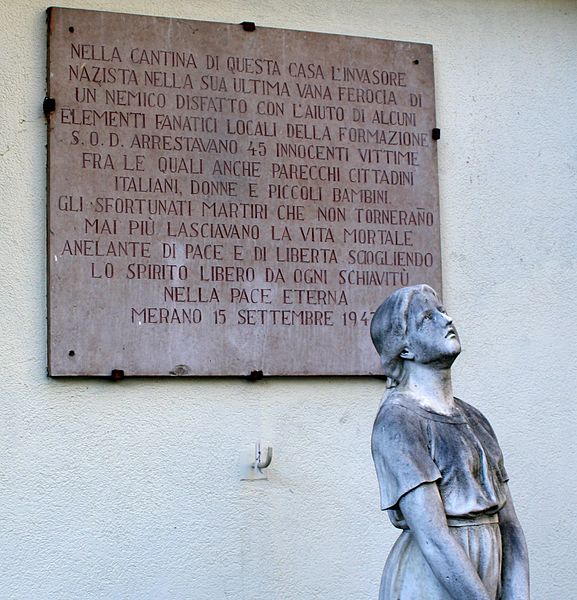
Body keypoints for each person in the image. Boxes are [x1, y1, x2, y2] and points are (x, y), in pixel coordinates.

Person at [370, 285, 529, 600]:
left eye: (442, 310)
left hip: (490, 563)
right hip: (435, 578)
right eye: (429, 317)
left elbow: (510, 527)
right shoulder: (398, 419)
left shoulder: (474, 418)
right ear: (404, 349)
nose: (448, 319)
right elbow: (433, 538)